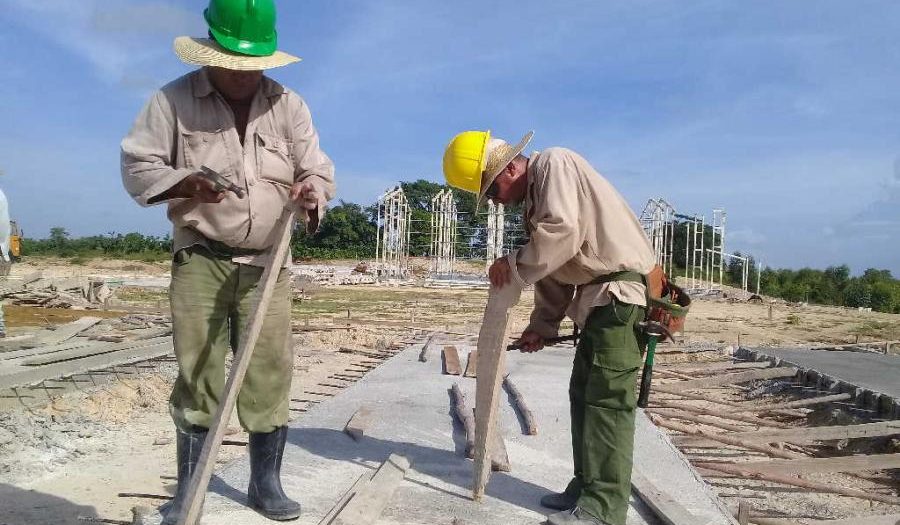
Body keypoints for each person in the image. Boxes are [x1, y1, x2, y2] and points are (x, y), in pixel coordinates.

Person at [120, 0, 334, 522]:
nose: (245, 75)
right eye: (234, 62)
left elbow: (319, 169)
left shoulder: (289, 105)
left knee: (269, 371)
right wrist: (184, 182)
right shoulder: (171, 102)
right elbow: (137, 163)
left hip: (268, 260)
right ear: (211, 49)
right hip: (201, 256)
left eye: (254, 64)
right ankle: (189, 490)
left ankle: (266, 485)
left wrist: (312, 190)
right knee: (199, 370)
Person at [442, 131, 656, 525]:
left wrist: (514, 262)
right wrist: (541, 326)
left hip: (619, 298)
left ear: (509, 167)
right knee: (582, 396)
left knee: (606, 404)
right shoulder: (536, 198)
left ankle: (604, 509)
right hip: (598, 303)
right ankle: (588, 485)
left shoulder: (554, 163)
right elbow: (556, 268)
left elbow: (563, 233)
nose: (495, 201)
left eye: (493, 191)